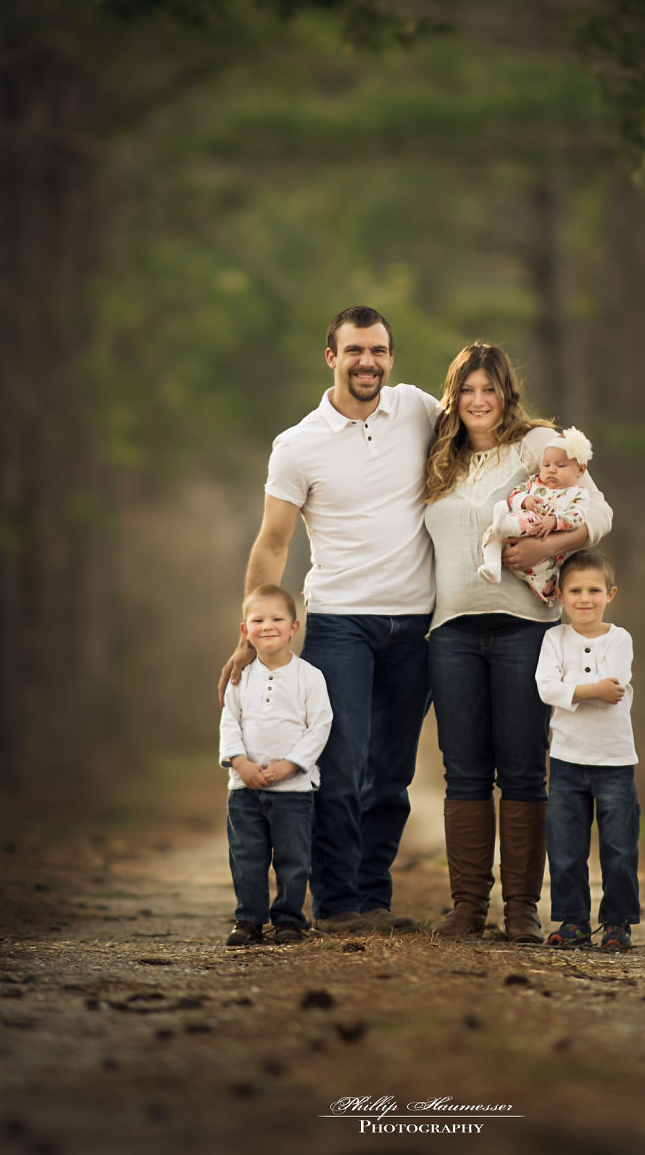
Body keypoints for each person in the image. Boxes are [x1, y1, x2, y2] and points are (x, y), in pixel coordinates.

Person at [219, 307, 439, 934]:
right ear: (331, 357)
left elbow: (490, 424)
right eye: (354, 351)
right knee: (338, 765)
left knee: (392, 773)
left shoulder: (420, 411)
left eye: (378, 350)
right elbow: (272, 543)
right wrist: (250, 631)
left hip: (417, 621)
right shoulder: (298, 445)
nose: (367, 361)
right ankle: (338, 904)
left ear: (391, 357)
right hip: (342, 620)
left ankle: (373, 898)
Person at [424, 343, 613, 944]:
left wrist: (545, 549)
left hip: (523, 629)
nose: (479, 402)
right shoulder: (438, 457)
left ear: (507, 394)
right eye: (468, 391)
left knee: (526, 770)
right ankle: (466, 907)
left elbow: (600, 511)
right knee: (464, 771)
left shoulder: (536, 446)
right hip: (450, 631)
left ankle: (522, 910)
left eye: (490, 390)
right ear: (454, 397)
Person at [535, 550, 640, 951]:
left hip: (614, 762)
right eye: (575, 590)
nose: (584, 599)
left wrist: (571, 688)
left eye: (594, 590)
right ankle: (573, 922)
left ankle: (617, 924)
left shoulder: (620, 638)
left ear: (610, 593)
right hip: (566, 760)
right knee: (565, 849)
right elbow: (546, 688)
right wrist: (588, 690)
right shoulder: (553, 638)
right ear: (559, 595)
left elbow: (616, 686)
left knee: (618, 847)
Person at [219, 585, 333, 947]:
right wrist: (240, 763)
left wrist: (292, 765)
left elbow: (321, 725)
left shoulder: (309, 676)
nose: (267, 626)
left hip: (293, 792)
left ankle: (288, 920)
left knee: (293, 860)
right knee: (247, 859)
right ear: (244, 630)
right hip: (245, 790)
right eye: (258, 620)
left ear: (294, 627)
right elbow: (229, 723)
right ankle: (248, 920)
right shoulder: (240, 677)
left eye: (277, 619)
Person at [478, 426, 594, 603]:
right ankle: (492, 566)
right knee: (493, 534)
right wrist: (525, 500)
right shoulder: (534, 483)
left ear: (580, 470)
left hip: (540, 541)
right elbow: (516, 493)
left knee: (542, 578)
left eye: (560, 465)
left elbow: (578, 516)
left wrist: (554, 521)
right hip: (513, 535)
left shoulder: (577, 493)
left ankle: (507, 525)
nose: (551, 470)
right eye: (546, 465)